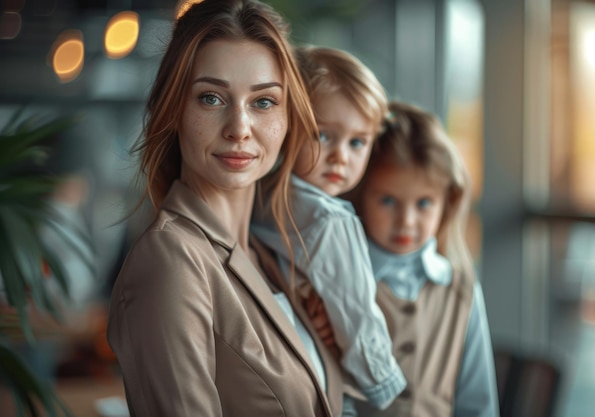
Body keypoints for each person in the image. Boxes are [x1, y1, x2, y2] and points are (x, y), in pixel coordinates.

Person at [106, 1, 345, 416]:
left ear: (289, 118)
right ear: (174, 110)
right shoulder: (170, 260)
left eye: (264, 102)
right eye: (211, 98)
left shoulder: (274, 255)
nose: (239, 128)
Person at [252, 45, 406, 413]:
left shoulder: (257, 194)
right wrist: (385, 383)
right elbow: (357, 313)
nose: (341, 156)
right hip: (325, 386)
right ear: (288, 125)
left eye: (357, 142)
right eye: (324, 135)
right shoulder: (331, 221)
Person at [348, 100, 500, 417]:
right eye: (388, 200)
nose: (406, 221)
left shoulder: (462, 289)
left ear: (448, 202)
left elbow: (478, 404)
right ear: (361, 194)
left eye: (424, 203)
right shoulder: (340, 280)